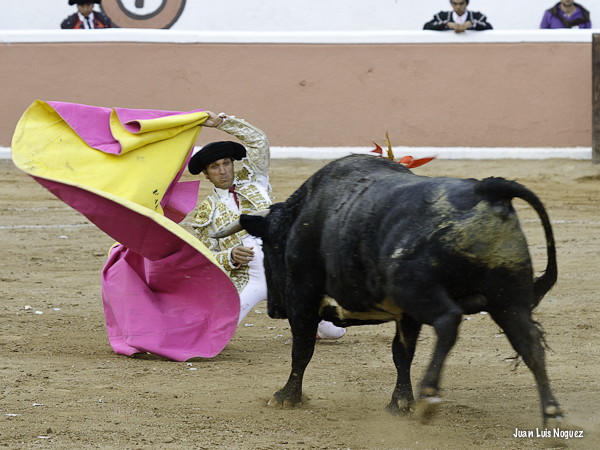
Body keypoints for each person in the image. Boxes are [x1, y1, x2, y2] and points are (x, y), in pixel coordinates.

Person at [189, 111, 346, 340]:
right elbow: (206, 257)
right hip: (249, 276)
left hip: (285, 267)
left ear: (233, 164)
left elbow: (258, 141)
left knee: (335, 331)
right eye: (215, 166)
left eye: (226, 163)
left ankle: (311, 323)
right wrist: (231, 255)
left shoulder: (254, 179)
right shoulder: (205, 212)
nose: (223, 171)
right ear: (206, 173)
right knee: (213, 336)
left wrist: (223, 123)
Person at [423, 0, 492, 32]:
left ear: (466, 3)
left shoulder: (476, 17)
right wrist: (446, 24)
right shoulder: (442, 17)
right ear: (451, 3)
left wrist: (472, 23)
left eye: (461, 3)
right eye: (455, 3)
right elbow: (427, 26)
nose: (458, 7)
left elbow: (489, 27)